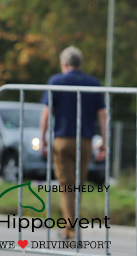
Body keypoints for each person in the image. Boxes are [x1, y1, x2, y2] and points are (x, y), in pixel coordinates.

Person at [39, 46, 106, 240]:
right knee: (77, 187)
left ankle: (71, 231)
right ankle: (70, 228)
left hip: (62, 140)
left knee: (66, 188)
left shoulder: (57, 81)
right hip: (85, 141)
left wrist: (42, 139)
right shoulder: (93, 83)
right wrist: (104, 143)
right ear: (80, 64)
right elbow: (102, 114)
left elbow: (46, 113)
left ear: (65, 64)